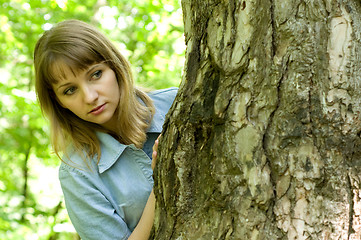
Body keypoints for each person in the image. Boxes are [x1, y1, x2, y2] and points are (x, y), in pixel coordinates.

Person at [33, 19, 177, 240]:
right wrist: (162, 184)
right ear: (59, 101)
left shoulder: (177, 104)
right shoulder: (78, 174)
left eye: (96, 74)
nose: (90, 97)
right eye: (70, 90)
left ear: (115, 66)